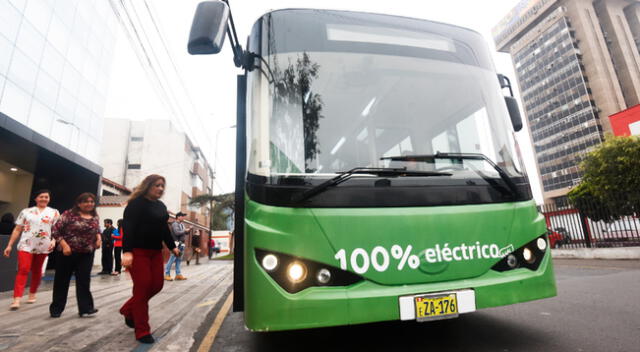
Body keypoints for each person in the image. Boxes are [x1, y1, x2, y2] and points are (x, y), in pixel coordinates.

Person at [119, 174, 179, 344]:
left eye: (162, 186)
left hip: (155, 252)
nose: (160, 188)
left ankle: (127, 309)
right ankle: (142, 330)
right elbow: (128, 228)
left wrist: (172, 246)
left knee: (157, 285)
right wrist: (128, 252)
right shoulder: (135, 204)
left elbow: (164, 230)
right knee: (142, 288)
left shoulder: (161, 207)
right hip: (138, 252)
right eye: (157, 185)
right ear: (147, 186)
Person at [3, 190, 59, 310]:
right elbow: (17, 229)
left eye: (46, 197)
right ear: (36, 198)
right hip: (26, 245)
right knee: (23, 269)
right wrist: (9, 245)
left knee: (37, 270)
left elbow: (57, 229)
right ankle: (17, 298)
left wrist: (54, 241)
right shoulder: (26, 212)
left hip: (43, 246)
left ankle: (32, 293)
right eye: (41, 196)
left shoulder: (54, 212)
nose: (44, 199)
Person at [49, 192, 101, 318]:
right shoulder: (69, 214)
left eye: (92, 202)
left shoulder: (94, 216)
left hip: (86, 253)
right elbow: (55, 230)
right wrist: (65, 245)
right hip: (67, 252)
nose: (89, 204)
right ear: (79, 203)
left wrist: (99, 238)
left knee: (84, 280)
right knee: (62, 280)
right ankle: (56, 309)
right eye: (86, 201)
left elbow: (97, 229)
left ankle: (85, 308)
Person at [165, 212, 188, 281]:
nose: (184, 217)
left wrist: (187, 231)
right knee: (172, 259)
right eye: (182, 216)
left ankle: (178, 275)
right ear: (178, 217)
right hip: (176, 244)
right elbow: (177, 233)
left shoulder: (182, 224)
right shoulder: (174, 224)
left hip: (182, 244)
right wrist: (184, 230)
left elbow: (184, 233)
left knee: (179, 260)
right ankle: (167, 274)